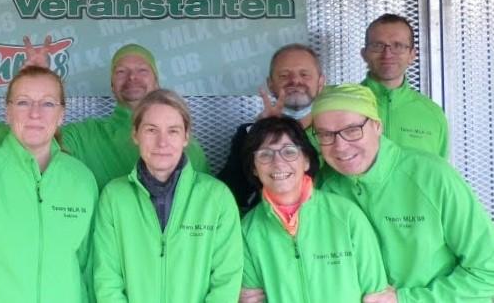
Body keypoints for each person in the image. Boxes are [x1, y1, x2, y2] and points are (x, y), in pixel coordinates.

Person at [312, 84, 494, 302]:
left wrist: (406, 299)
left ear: (377, 126)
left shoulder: (432, 177)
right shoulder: (321, 188)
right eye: (325, 135)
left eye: (352, 130)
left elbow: (487, 272)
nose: (340, 146)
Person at [0, 66, 98, 303]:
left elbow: (90, 268)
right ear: (8, 112)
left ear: (61, 114)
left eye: (47, 104)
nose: (35, 114)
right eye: (23, 102)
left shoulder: (82, 179)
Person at [93, 89, 242, 302]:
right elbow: (107, 279)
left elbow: (226, 280)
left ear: (186, 136)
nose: (162, 142)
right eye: (151, 130)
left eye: (173, 131)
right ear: (135, 134)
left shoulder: (217, 198)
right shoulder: (114, 197)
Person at [239, 116, 388, 303]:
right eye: (265, 155)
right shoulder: (247, 231)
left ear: (307, 160)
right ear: (254, 167)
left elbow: (376, 296)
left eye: (289, 151)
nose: (278, 163)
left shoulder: (347, 216)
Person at [62, 43, 209, 190]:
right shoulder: (82, 135)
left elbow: (205, 197)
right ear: (112, 85)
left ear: (156, 82)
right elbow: (49, 148)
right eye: (121, 72)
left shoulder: (189, 148)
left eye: (142, 70)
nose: (132, 77)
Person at [218, 43, 325, 213]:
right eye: (284, 75)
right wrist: (260, 133)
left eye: (304, 74)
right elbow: (228, 195)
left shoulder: (337, 134)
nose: (295, 81)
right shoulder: (248, 134)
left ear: (321, 82)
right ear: (270, 84)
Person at [361, 13, 449, 159]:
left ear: (412, 55)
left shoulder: (433, 114)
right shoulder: (341, 106)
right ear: (364, 54)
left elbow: (439, 170)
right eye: (378, 46)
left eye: (398, 46)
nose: (387, 54)